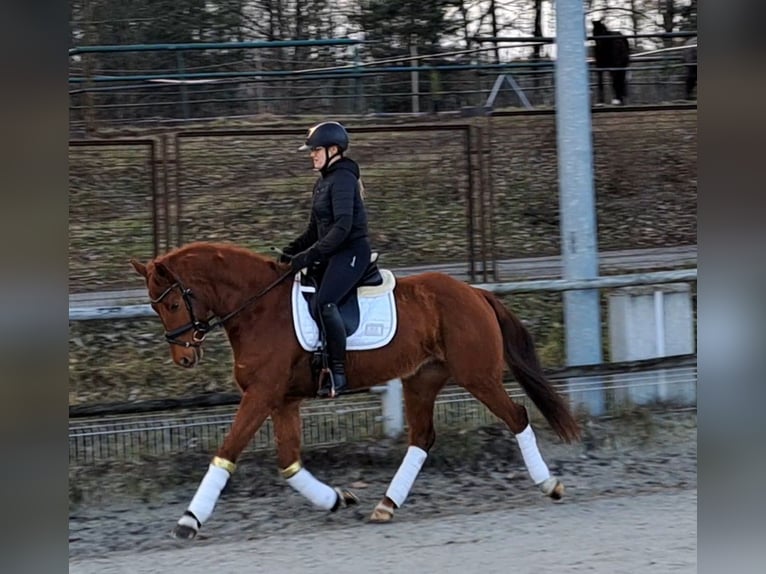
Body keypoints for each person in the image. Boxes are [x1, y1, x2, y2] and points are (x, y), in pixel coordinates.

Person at [278, 121, 371, 398]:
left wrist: (310, 256)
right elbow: (313, 230)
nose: (312, 154)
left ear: (333, 150)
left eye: (316, 150)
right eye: (311, 150)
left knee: (325, 301)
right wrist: (290, 251)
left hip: (351, 252)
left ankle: (338, 374)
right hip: (333, 251)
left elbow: (342, 228)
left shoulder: (342, 179)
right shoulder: (324, 182)